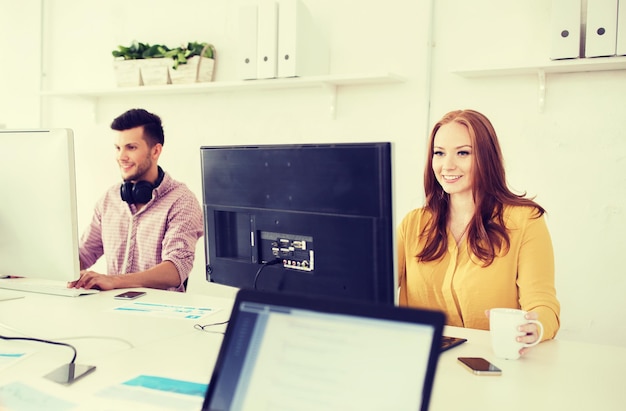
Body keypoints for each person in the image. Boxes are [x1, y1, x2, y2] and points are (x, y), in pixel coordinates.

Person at [397, 109, 560, 354]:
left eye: (463, 153)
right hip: (421, 360)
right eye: (439, 153)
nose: (447, 165)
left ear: (486, 158)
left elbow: (543, 305)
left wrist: (533, 328)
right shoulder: (414, 224)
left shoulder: (525, 220)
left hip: (493, 363)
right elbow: (372, 291)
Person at [68, 108, 203, 292]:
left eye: (131, 147)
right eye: (118, 148)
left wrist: (114, 280)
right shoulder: (109, 198)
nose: (121, 157)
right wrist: (32, 270)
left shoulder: (182, 201)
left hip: (159, 313)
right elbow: (83, 255)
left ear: (155, 151)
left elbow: (176, 270)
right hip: (112, 309)